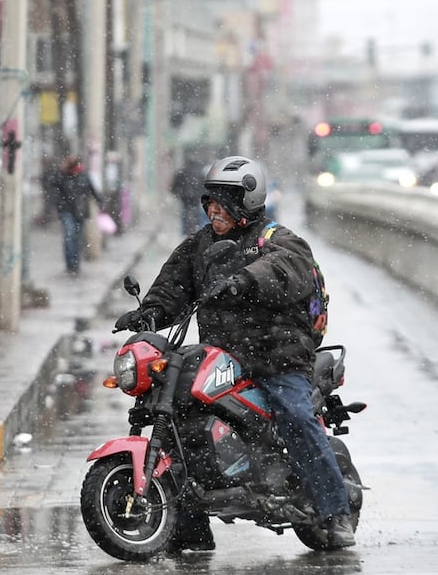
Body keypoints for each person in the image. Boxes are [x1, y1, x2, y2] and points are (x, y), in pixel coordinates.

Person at [114, 155, 356, 551]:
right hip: (224, 355)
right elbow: (174, 285)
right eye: (210, 201)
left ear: (247, 201)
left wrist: (244, 281)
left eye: (223, 201)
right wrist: (149, 312)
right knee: (179, 411)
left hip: (278, 357)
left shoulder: (277, 239)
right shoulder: (199, 245)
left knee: (295, 413)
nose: (213, 210)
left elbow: (287, 268)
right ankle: (188, 526)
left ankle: (335, 510)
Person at [52, 154, 104, 275]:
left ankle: (75, 264)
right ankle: (70, 264)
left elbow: (93, 191)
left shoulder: (84, 176)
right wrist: (60, 205)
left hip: (80, 212)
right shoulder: (62, 176)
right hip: (67, 211)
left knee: (78, 239)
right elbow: (54, 189)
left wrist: (100, 202)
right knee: (69, 236)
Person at [170, 157, 208, 234]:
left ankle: (185, 230)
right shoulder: (199, 171)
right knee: (196, 212)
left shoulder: (182, 171)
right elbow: (204, 185)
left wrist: (176, 193)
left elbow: (175, 185)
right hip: (196, 197)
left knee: (185, 212)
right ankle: (198, 230)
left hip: (185, 196)